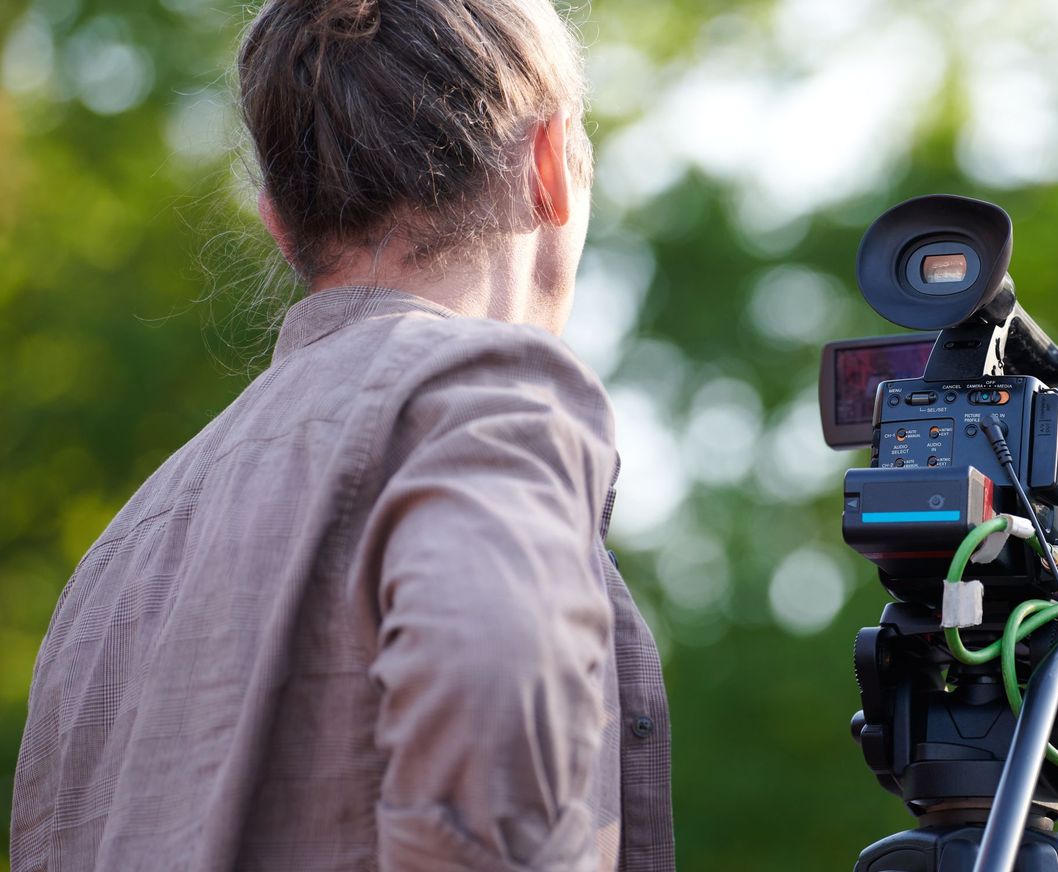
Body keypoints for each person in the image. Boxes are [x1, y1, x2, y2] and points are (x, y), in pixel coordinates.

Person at [8, 0, 673, 868]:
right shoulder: (486, 401)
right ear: (548, 166)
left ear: (281, 225)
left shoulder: (118, 557)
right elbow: (494, 745)